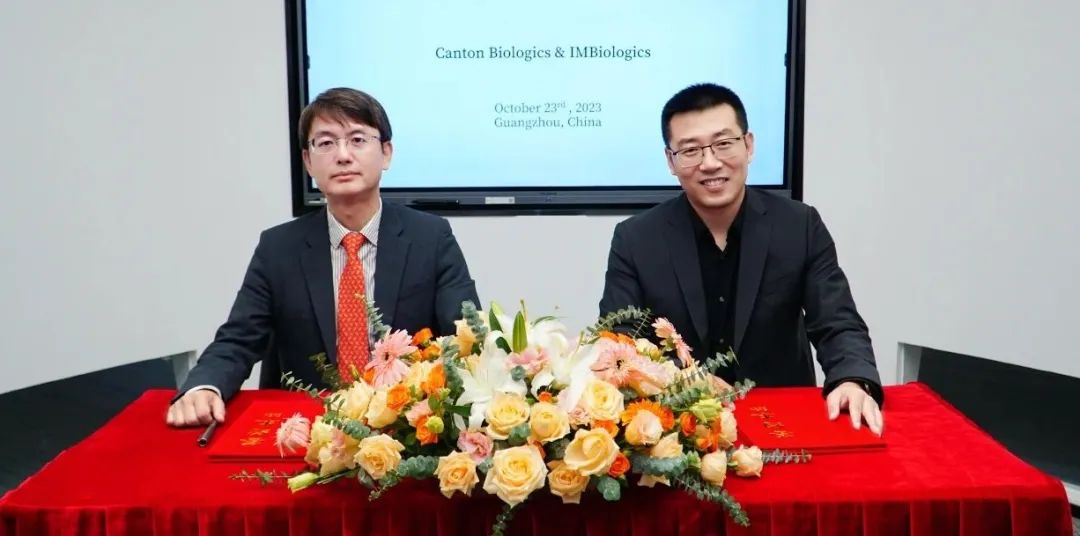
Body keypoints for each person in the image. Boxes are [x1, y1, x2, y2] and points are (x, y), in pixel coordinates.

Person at [166, 88, 479, 427]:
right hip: (307, 430)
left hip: (404, 427)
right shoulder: (278, 248)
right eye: (326, 143)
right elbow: (238, 339)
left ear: (386, 153)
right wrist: (204, 385)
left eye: (357, 140)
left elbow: (465, 338)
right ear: (308, 161)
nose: (342, 155)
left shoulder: (430, 238)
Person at [599, 83, 883, 435]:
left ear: (748, 145)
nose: (710, 163)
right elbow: (620, 341)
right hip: (680, 430)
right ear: (671, 161)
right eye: (690, 150)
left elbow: (837, 322)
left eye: (723, 144)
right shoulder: (636, 239)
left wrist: (852, 379)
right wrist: (680, 379)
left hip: (783, 423)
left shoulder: (800, 226)